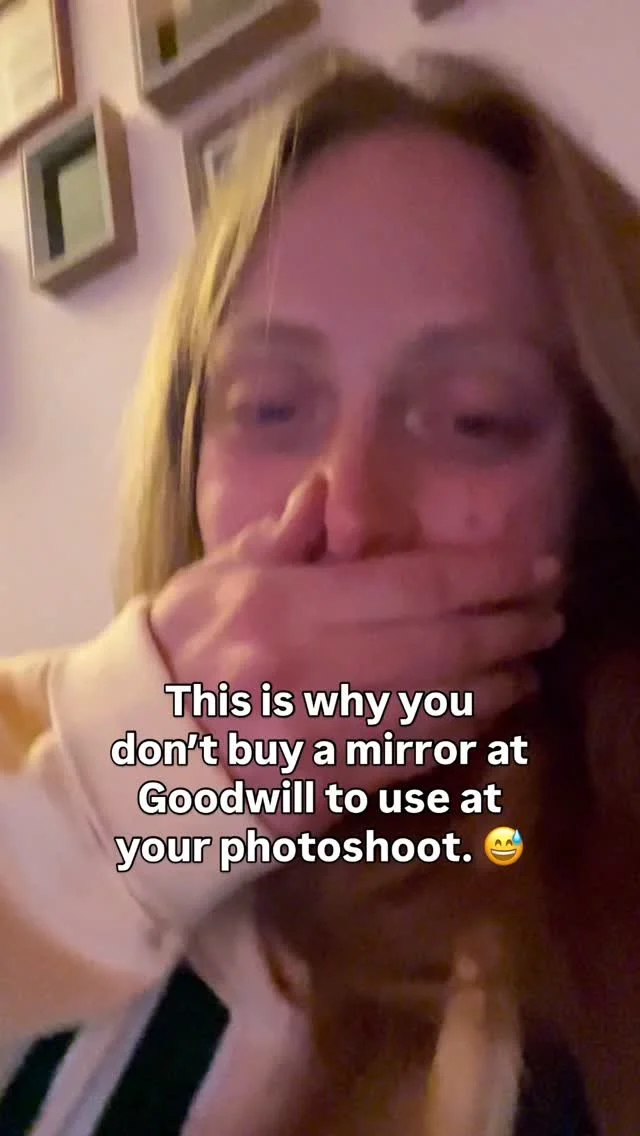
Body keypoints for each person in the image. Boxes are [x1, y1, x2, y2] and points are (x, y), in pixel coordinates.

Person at [1, 46, 639, 1136]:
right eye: (269, 406)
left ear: (598, 488)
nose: (343, 508)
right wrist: (132, 796)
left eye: (474, 417)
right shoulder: (31, 744)